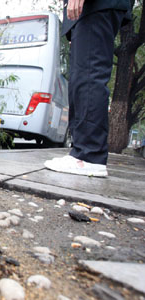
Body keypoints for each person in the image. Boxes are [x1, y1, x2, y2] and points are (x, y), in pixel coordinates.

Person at [44, 0, 131, 177]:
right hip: (92, 10)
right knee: (81, 77)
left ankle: (89, 156)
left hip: (97, 5)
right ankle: (82, 152)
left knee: (89, 76)